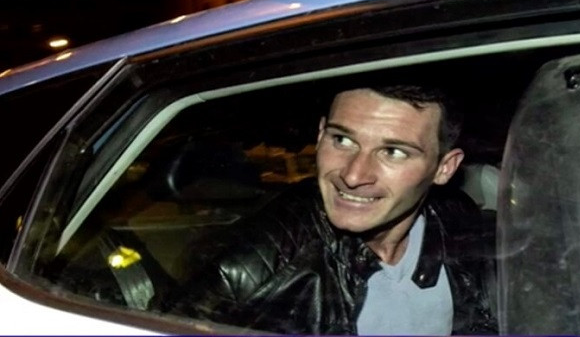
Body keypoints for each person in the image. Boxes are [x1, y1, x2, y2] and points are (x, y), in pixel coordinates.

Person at [163, 85, 498, 335]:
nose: (353, 175)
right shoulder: (247, 272)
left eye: (394, 152)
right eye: (342, 140)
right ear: (321, 134)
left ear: (444, 168)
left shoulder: (463, 230)